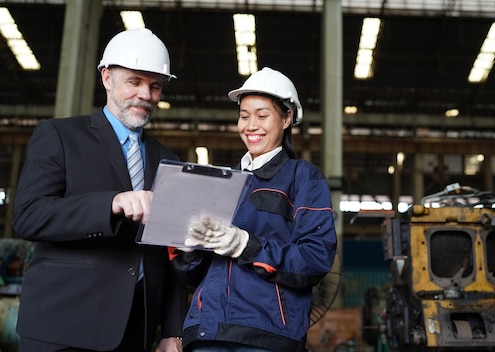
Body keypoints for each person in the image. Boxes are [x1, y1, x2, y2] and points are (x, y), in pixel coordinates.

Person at [12, 28, 188, 352]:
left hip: (137, 328)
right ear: (107, 78)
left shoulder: (169, 160)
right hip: (64, 324)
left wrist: (172, 329)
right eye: (134, 82)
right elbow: (28, 216)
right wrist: (111, 204)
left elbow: (170, 250)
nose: (146, 95)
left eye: (155, 86)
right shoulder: (59, 136)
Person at [174, 67, 337, 352]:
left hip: (266, 335)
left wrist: (245, 245)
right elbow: (192, 274)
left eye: (262, 115)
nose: (251, 125)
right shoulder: (219, 182)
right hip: (205, 332)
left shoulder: (302, 177)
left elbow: (315, 258)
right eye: (244, 116)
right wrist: (189, 249)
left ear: (287, 118)